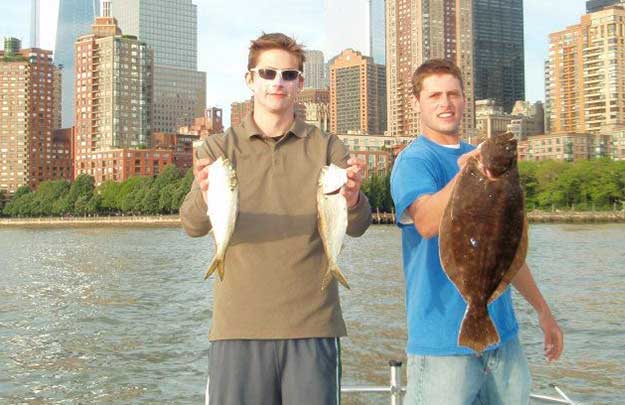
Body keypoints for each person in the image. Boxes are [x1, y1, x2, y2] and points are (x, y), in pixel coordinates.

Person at [180, 33, 372, 405]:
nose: (277, 83)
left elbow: (361, 224)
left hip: (314, 326)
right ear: (250, 79)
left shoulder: (328, 146)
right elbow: (192, 225)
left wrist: (352, 197)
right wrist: (204, 193)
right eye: (267, 73)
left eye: (288, 75)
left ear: (300, 82)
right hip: (237, 328)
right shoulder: (219, 147)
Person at [389, 59, 564, 405]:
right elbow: (424, 222)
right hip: (442, 343)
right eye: (435, 95)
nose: (445, 103)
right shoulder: (414, 161)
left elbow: (509, 247)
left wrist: (543, 310)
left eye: (453, 94)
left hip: (503, 338)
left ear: (465, 100)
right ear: (416, 103)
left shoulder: (480, 160)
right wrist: (466, 174)